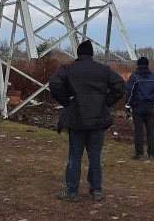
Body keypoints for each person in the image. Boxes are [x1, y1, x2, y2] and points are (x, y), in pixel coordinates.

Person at [48, 40, 126, 202]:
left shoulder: (69, 69)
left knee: (75, 156)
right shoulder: (103, 70)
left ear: (78, 53)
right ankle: (96, 191)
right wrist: (106, 102)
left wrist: (67, 102)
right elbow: (120, 85)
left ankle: (72, 191)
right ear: (92, 54)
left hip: (77, 119)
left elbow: (54, 83)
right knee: (95, 156)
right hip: (98, 119)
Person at [125, 56, 154, 160]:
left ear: (138, 64)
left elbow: (130, 92)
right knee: (150, 131)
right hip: (150, 106)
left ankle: (139, 154)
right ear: (148, 64)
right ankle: (152, 153)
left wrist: (127, 105)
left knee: (138, 131)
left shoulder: (134, 77)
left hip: (138, 107)